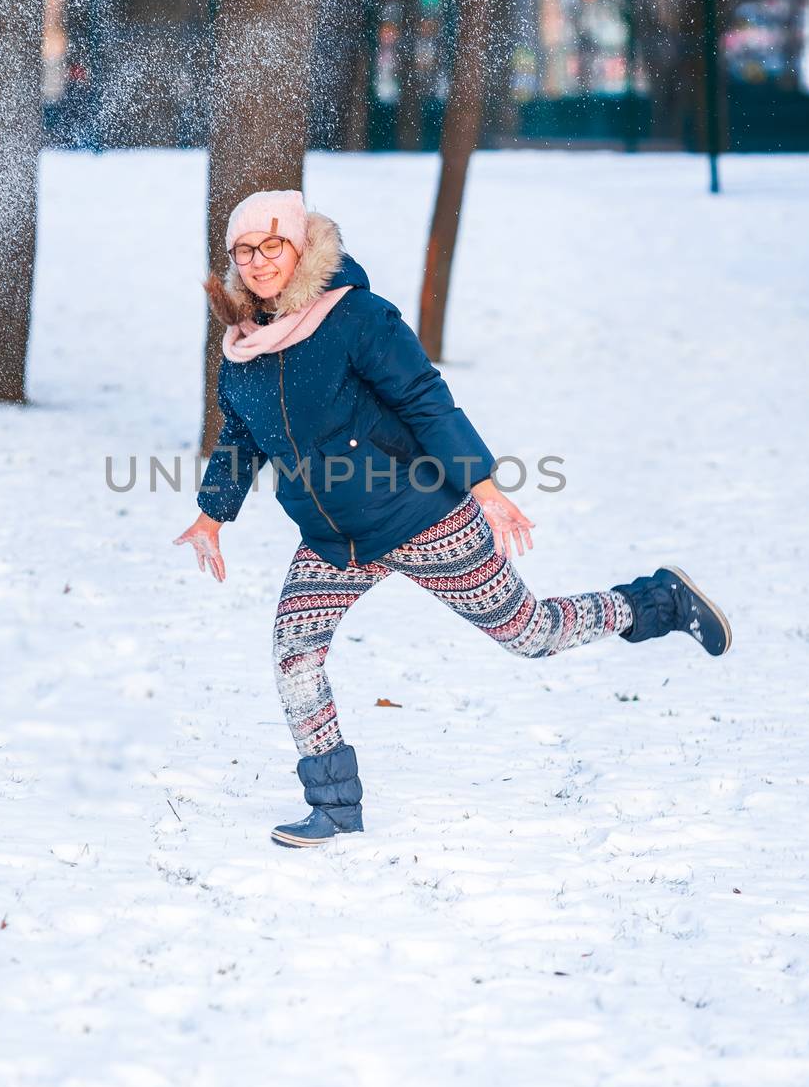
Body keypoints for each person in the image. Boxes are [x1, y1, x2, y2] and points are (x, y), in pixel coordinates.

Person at [173, 188, 732, 849]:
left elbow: (422, 396)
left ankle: (658, 601)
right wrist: (212, 515)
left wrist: (483, 484)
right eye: (246, 251)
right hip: (335, 542)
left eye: (273, 246)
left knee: (531, 634)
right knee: (295, 655)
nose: (260, 261)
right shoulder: (243, 350)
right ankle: (333, 806)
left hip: (418, 515)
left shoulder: (356, 318)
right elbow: (241, 437)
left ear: (301, 248)